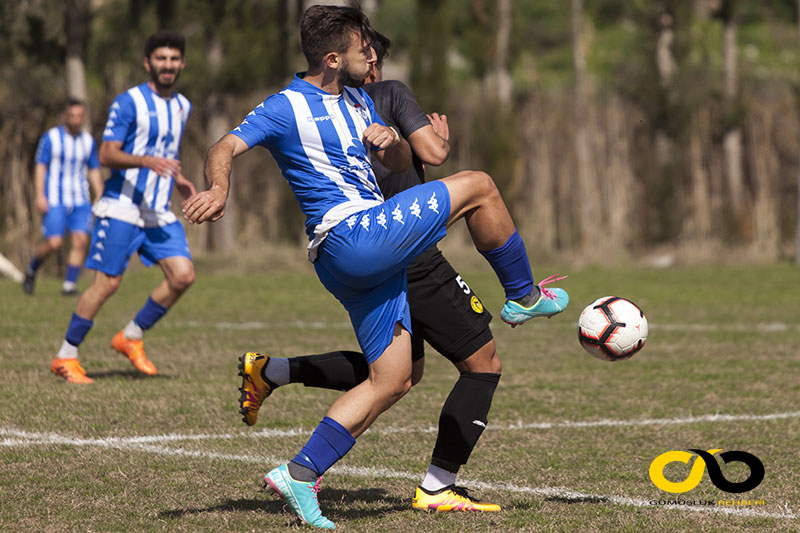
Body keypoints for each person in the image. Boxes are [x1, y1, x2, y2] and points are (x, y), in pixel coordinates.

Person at [183, 5, 567, 529]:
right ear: (335, 58)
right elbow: (223, 145)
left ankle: (299, 472)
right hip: (354, 236)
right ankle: (523, 296)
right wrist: (219, 187)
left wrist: (390, 146)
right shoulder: (286, 106)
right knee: (478, 184)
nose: (375, 54)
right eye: (366, 48)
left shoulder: (362, 101)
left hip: (348, 257)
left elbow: (399, 166)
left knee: (391, 379)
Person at [51, 30, 196, 384]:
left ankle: (130, 336)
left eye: (174, 58)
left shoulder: (182, 105)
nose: (168, 65)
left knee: (183, 275)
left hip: (157, 209)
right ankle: (66, 356)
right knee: (107, 283)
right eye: (161, 58)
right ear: (148, 63)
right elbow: (106, 154)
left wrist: (178, 181)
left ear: (182, 64)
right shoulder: (129, 101)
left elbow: (167, 153)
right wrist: (145, 161)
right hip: (121, 206)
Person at [23, 99, 103, 296]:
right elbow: (41, 166)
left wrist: (99, 193)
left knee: (81, 242)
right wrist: (40, 195)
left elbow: (93, 169)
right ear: (64, 117)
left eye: (80, 116)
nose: (76, 120)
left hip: (80, 199)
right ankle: (32, 269)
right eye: (72, 116)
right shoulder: (51, 138)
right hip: (55, 198)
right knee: (54, 243)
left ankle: (69, 285)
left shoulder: (87, 141)